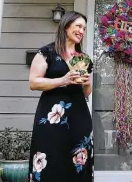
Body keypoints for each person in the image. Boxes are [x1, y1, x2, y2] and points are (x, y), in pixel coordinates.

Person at [28, 11, 94, 182]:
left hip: (79, 118)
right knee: (51, 160)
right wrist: (62, 80)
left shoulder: (84, 58)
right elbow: (33, 83)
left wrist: (87, 82)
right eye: (78, 26)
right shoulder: (47, 52)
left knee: (78, 166)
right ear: (66, 26)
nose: (82, 31)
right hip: (51, 118)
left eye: (84, 28)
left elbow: (86, 93)